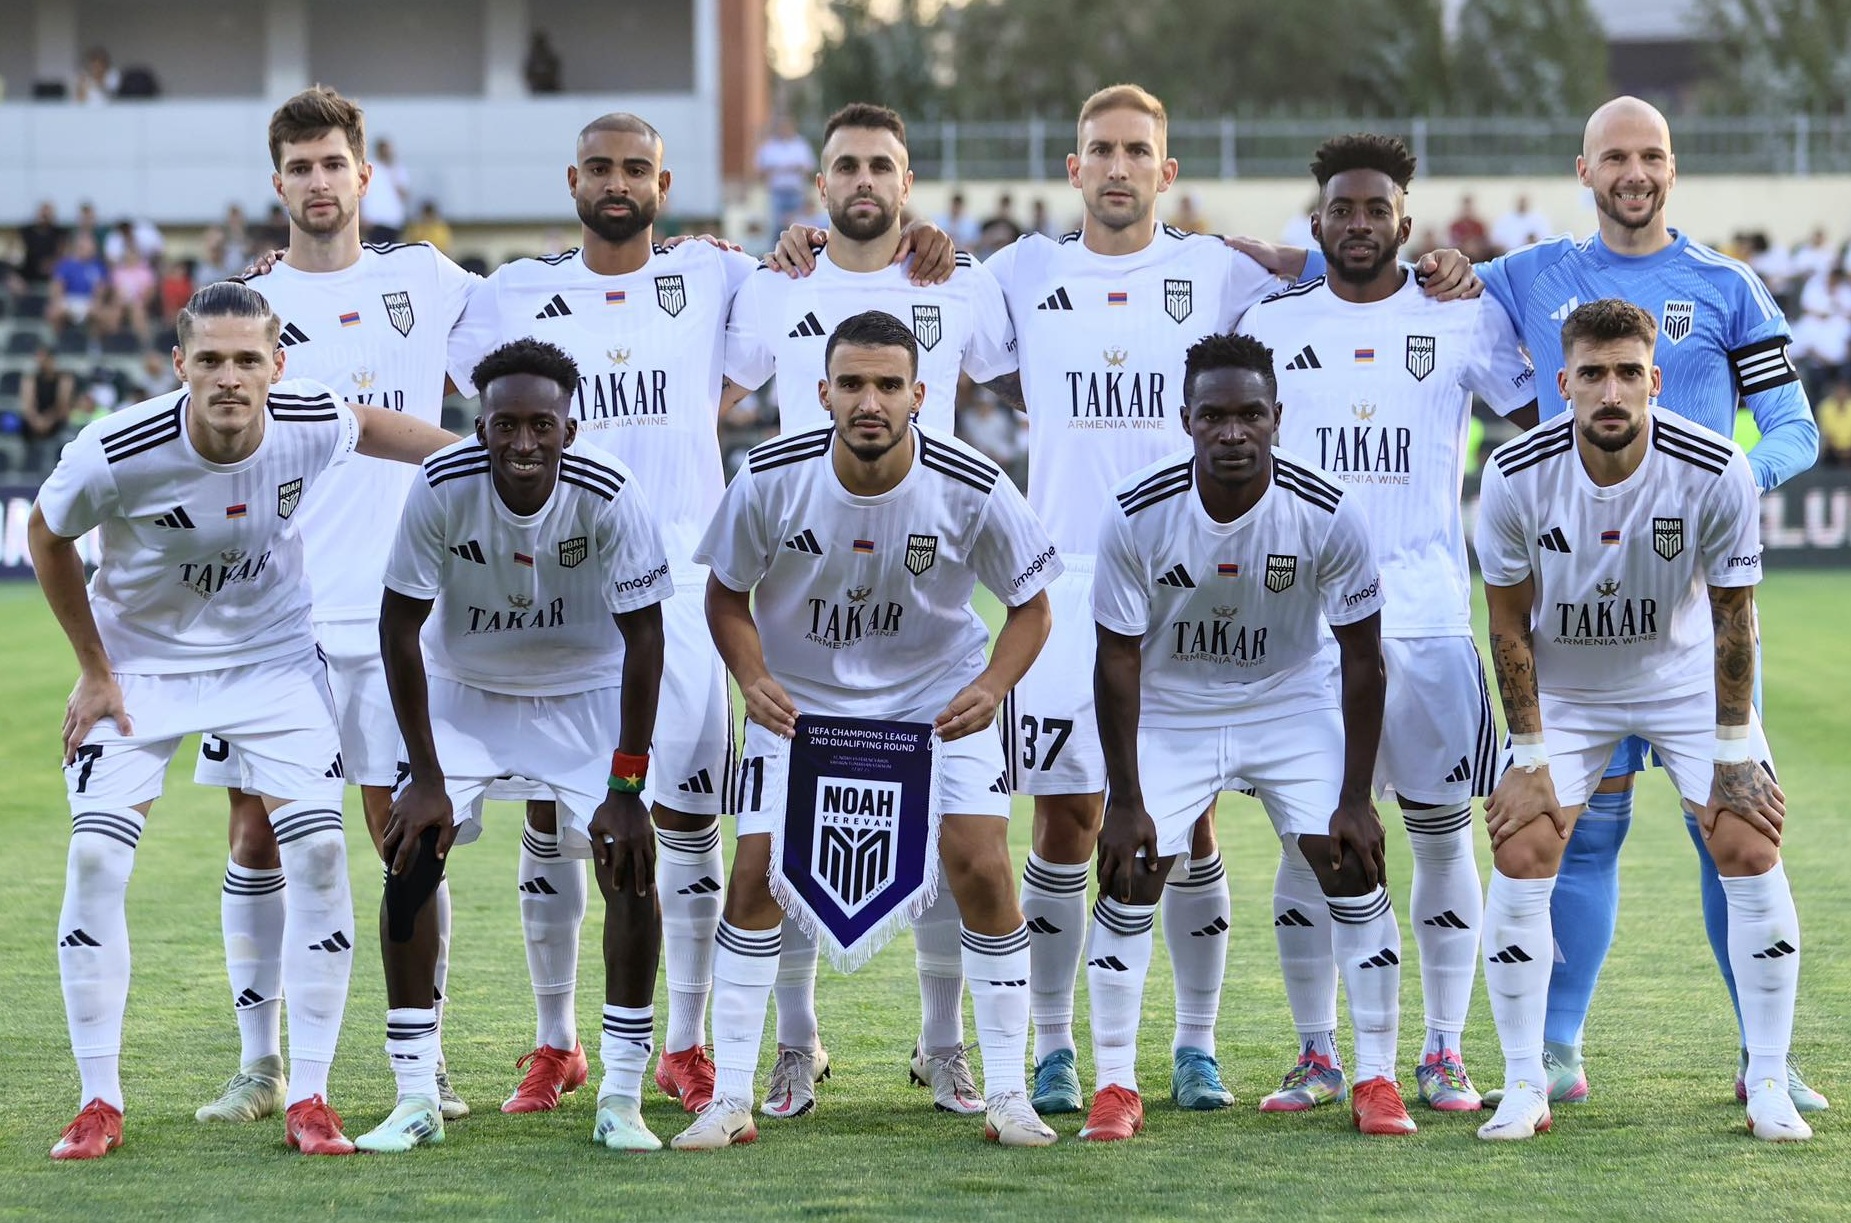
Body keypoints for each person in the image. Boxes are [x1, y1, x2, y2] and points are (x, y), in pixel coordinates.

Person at [27, 280, 458, 1160]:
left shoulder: (308, 419)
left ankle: (309, 1096)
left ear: (277, 365)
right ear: (179, 364)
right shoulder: (115, 449)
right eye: (211, 359)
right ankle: (97, 1099)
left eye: (247, 359)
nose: (230, 376)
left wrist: (472, 455)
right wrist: (94, 668)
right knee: (97, 855)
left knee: (321, 851)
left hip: (271, 663)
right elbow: (45, 534)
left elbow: (372, 426)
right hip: (140, 667)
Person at [1474, 95, 1824, 1113]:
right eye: (1615, 156)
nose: (1635, 172)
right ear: (1583, 171)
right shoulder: (1527, 274)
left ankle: (1763, 1055)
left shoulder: (1726, 284)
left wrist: (1723, 496)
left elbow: (1794, 428)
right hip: (1576, 602)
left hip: (1692, 606)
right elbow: (1416, 288)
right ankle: (1553, 1049)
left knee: (1733, 827)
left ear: (1673, 168)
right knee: (1581, 832)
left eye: (1652, 155)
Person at [979, 84, 1294, 1119]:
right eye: (1100, 150)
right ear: (1073, 168)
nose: (1118, 166)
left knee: (1188, 818)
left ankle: (1195, 1046)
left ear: (1167, 169)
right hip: (1064, 579)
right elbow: (931, 306)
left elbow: (1337, 274)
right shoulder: (1023, 271)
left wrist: (1301, 251)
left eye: (1137, 150)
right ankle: (1055, 1046)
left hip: (1184, 580)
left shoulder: (1215, 270)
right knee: (1066, 816)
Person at [682, 309, 1061, 1150]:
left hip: (936, 701)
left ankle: (1005, 1090)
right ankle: (733, 1094)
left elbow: (1032, 606)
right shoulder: (769, 475)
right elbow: (724, 594)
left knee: (981, 866)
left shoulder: (972, 481)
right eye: (851, 383)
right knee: (755, 874)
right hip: (801, 705)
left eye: (888, 384)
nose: (869, 401)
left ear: (919, 394)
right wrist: (752, 677)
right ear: (821, 391)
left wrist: (993, 685)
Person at [446, 111, 759, 1119]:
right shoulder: (513, 290)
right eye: (600, 168)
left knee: (689, 813)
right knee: (552, 809)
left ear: (664, 183)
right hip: (557, 577)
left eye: (635, 168)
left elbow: (810, 296)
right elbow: (419, 341)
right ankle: (557, 1043)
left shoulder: (716, 275)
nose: (616, 182)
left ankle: (685, 1045)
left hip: (683, 576)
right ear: (572, 179)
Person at [189, 85, 479, 1127]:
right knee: (256, 829)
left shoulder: (427, 278)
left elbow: (556, 308)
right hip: (279, 613)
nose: (318, 182)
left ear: (365, 173)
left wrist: (707, 253)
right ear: (278, 184)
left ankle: (425, 1058)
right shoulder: (249, 309)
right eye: (299, 168)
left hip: (402, 610)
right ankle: (259, 1063)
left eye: (332, 164)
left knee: (407, 833)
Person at [1239, 133, 1538, 1115]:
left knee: (1442, 837)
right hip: (1304, 628)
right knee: (1310, 843)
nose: (1360, 224)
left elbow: (1539, 415)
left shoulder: (1460, 314)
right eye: (1343, 209)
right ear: (1317, 222)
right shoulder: (1271, 324)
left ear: (1406, 221)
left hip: (1428, 621)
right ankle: (1317, 1051)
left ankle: (1443, 1050)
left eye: (1378, 209)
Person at [727, 101, 1009, 1117]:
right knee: (788, 844)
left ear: (906, 181)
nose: (862, 181)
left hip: (925, 601)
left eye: (880, 166)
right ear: (819, 184)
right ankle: (794, 1042)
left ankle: (944, 1043)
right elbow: (710, 392)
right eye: (845, 165)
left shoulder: (961, 278)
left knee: (951, 841)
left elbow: (1034, 387)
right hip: (801, 605)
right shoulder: (772, 283)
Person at [1089, 331, 1406, 1140]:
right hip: (1174, 708)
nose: (1232, 432)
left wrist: (1356, 796)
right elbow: (1115, 659)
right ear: (1185, 419)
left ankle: (1375, 1076)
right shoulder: (1135, 510)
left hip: (1287, 702)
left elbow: (1362, 657)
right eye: (1213, 416)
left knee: (1349, 860)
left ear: (1276, 416)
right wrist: (1122, 798)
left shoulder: (1326, 508)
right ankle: (1114, 1084)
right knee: (1129, 871)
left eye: (1250, 415)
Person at [360, 338, 672, 1153]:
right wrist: (426, 775)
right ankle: (414, 1095)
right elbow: (398, 626)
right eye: (505, 424)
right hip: (467, 688)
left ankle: (621, 1098)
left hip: (584, 689)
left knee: (630, 864)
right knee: (409, 851)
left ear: (571, 428)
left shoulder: (610, 491)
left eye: (542, 424)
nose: (524, 442)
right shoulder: (440, 484)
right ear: (480, 427)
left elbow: (645, 639)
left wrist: (627, 787)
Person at [20, 344, 78, 470]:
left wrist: (48, 421)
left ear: (51, 359)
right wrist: (36, 421)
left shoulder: (64, 378)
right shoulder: (31, 378)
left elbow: (62, 404)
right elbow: (28, 404)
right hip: (34, 423)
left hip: (56, 421)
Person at [757, 117, 817, 240]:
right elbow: (760, 170)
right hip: (776, 192)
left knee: (797, 226)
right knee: (776, 227)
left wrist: (793, 169)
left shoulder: (801, 145)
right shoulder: (769, 146)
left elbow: (809, 168)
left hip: (796, 192)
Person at [363, 138, 411, 246]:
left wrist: (393, 173)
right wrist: (363, 216)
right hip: (376, 221)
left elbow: (404, 193)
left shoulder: (397, 169)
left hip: (394, 221)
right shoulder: (371, 168)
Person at [526, 29, 563, 93]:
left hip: (550, 87)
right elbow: (528, 74)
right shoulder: (532, 59)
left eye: (541, 43)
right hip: (537, 88)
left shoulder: (550, 57)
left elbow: (554, 71)